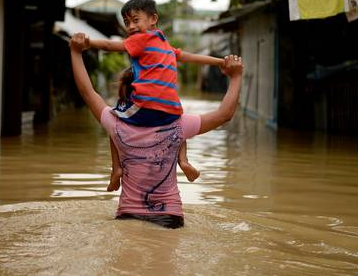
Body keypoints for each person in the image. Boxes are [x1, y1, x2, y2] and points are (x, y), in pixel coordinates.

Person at [70, 32, 243, 229]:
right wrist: (236, 77)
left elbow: (87, 91)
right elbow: (224, 115)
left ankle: (115, 169)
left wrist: (75, 52)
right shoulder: (178, 124)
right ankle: (180, 160)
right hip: (169, 216)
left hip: (128, 215)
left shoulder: (116, 122)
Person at [81, 0, 224, 191]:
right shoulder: (164, 44)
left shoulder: (141, 39)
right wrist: (220, 62)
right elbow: (189, 57)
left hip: (146, 105)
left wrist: (87, 42)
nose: (130, 26)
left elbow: (109, 46)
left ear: (153, 19)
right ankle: (183, 161)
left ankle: (116, 169)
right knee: (177, 128)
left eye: (135, 20)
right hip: (171, 109)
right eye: (127, 22)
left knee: (114, 120)